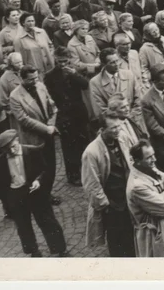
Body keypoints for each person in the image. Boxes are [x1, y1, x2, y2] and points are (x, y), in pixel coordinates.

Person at [0, 129, 69, 257]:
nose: (12, 151)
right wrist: (8, 199)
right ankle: (33, 251)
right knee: (23, 227)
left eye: (13, 146)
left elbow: (45, 170)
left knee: (47, 221)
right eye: (7, 149)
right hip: (16, 196)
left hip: (35, 193)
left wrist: (38, 181)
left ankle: (60, 249)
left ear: (18, 140)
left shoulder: (33, 151)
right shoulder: (0, 162)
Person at [81, 110, 136, 257]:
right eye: (113, 128)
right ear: (101, 130)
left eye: (119, 126)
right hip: (112, 205)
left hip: (129, 198)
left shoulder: (123, 137)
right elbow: (91, 184)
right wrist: (106, 205)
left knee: (133, 236)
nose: (118, 130)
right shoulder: (91, 152)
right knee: (117, 241)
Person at [9, 65, 61, 206]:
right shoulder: (15, 96)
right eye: (31, 79)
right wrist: (46, 128)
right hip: (33, 138)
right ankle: (40, 197)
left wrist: (51, 124)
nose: (35, 81)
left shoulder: (41, 86)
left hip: (48, 133)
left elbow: (52, 106)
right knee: (38, 168)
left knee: (51, 167)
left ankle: (47, 193)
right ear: (22, 78)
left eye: (36, 78)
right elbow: (23, 119)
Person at [126, 140, 164, 257]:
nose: (154, 160)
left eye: (153, 155)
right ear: (137, 161)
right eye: (148, 157)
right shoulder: (137, 186)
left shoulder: (148, 169)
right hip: (153, 234)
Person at [43, 46, 89, 186]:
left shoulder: (76, 70)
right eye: (59, 61)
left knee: (83, 141)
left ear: (69, 60)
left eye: (65, 61)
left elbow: (85, 85)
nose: (62, 64)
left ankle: (86, 171)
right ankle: (73, 174)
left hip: (79, 112)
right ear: (55, 59)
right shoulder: (50, 75)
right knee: (69, 146)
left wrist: (75, 74)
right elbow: (51, 94)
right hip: (64, 113)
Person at [89, 47, 143, 126]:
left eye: (117, 61)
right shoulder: (95, 83)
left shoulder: (129, 75)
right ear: (104, 64)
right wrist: (119, 122)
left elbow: (138, 100)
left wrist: (131, 117)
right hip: (114, 126)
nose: (117, 64)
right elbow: (100, 111)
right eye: (112, 62)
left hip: (135, 121)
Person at [67, 20, 101, 120]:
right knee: (91, 101)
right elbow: (76, 64)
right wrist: (92, 66)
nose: (85, 31)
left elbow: (98, 52)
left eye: (86, 28)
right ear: (76, 30)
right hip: (86, 76)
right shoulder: (72, 45)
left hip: (97, 73)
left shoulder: (89, 38)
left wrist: (98, 61)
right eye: (82, 29)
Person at [14, 13, 55, 80]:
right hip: (35, 72)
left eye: (33, 21)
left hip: (49, 68)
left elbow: (50, 45)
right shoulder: (18, 39)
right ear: (23, 23)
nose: (31, 23)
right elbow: (19, 59)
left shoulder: (42, 32)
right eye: (29, 21)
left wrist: (51, 56)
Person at [138, 22, 164, 90]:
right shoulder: (144, 49)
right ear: (148, 34)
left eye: (157, 29)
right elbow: (143, 68)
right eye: (153, 31)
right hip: (157, 80)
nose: (156, 32)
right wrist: (147, 85)